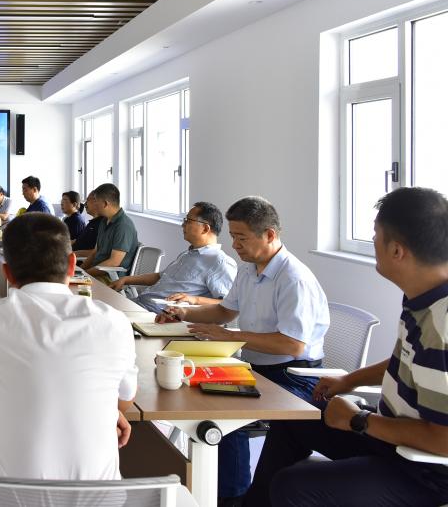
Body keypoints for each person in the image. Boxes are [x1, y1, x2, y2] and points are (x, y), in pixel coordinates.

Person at [243, 187, 448, 507]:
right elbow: (405, 361)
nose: (373, 242)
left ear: (397, 250)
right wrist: (349, 380)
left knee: (293, 487)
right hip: (392, 435)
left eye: (376, 235)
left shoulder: (441, 324)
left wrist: (360, 420)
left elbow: (443, 440)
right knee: (295, 417)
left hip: (426, 471)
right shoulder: (422, 297)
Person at [157, 196, 330, 504]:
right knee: (193, 384)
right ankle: (208, 485)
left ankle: (231, 497)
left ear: (269, 235)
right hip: (257, 367)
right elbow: (225, 311)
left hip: (293, 376)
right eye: (233, 236)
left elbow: (292, 344)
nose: (234, 245)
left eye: (241, 237)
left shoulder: (293, 278)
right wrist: (183, 313)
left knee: (224, 411)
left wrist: (229, 336)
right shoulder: (249, 269)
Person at [0, 213, 137, 480]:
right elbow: (125, 399)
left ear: (7, 273)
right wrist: (107, 411)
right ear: (72, 265)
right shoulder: (113, 321)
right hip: (100, 498)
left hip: (3, 497)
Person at [108, 202, 236, 312]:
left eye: (188, 221)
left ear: (205, 229)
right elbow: (160, 277)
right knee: (100, 307)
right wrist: (126, 279)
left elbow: (229, 303)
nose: (183, 225)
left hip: (158, 315)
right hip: (140, 303)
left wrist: (194, 299)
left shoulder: (219, 262)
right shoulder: (187, 254)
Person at [81, 183, 140, 279]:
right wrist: (80, 271)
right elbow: (95, 252)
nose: (93, 204)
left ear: (105, 204)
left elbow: (114, 262)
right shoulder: (104, 221)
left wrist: (86, 274)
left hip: (110, 278)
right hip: (96, 273)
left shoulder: (123, 226)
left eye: (95, 201)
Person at [72, 188, 105, 259]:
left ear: (96, 202)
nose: (85, 204)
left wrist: (72, 254)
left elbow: (96, 252)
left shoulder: (102, 224)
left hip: (78, 259)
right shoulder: (92, 222)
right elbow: (80, 240)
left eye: (88, 200)